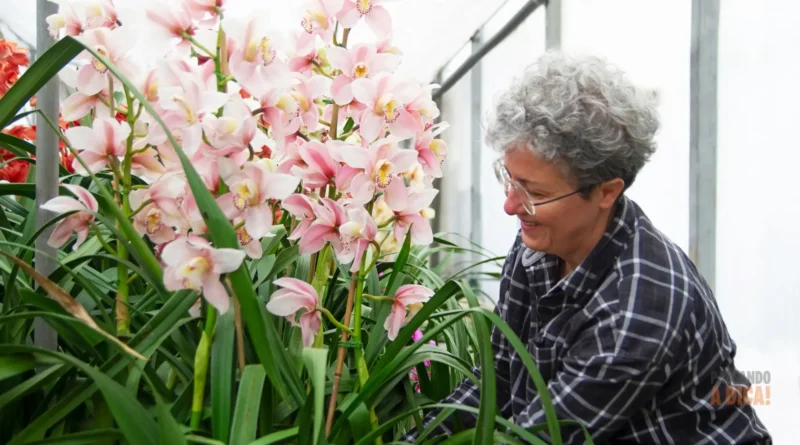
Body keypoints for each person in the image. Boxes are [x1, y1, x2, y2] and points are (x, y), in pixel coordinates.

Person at [403, 51, 772, 444]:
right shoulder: (540, 244)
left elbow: (538, 437)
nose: (510, 205)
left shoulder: (639, 309)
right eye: (509, 180)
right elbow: (497, 382)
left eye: (534, 192)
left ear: (606, 192)